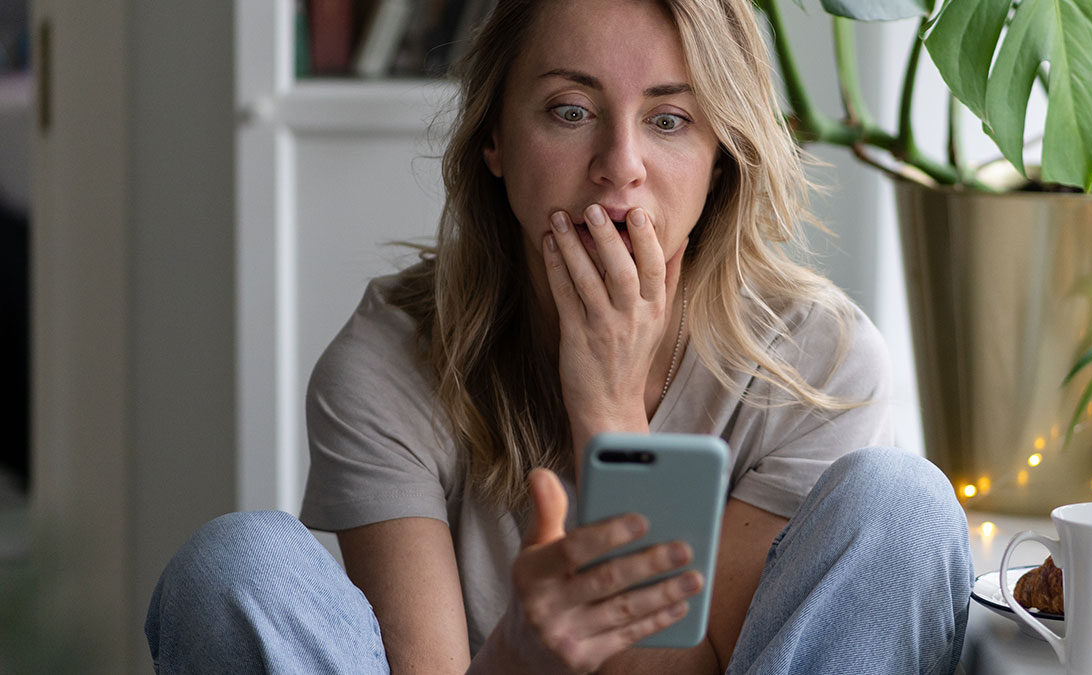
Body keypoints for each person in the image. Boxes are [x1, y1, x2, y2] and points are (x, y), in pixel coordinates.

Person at [145, 0, 973, 673]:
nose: (620, 164)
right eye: (570, 111)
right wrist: (521, 654)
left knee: (903, 502)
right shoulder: (386, 363)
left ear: (722, 154)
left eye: (671, 120)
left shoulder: (817, 362)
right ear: (496, 141)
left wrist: (609, 405)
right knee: (236, 563)